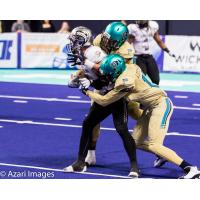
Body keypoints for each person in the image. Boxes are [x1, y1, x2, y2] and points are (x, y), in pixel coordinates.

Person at [82, 54, 200, 179]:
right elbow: (110, 76)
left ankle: (190, 168)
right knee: (136, 142)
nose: (107, 76)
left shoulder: (125, 82)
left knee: (154, 144)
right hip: (150, 107)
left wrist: (86, 90)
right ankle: (163, 155)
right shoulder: (130, 67)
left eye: (109, 73)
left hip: (161, 105)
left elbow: (105, 100)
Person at [63, 26, 139, 178]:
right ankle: (79, 162)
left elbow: (107, 73)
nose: (72, 42)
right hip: (103, 91)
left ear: (81, 40)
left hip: (115, 94)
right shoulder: (81, 53)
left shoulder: (94, 53)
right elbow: (91, 75)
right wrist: (77, 79)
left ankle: (134, 167)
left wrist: (88, 74)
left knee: (121, 129)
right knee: (88, 124)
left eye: (74, 39)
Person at [128, 20, 175, 85]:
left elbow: (159, 41)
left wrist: (168, 51)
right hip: (138, 57)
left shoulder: (152, 27)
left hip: (149, 56)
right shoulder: (134, 29)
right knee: (140, 80)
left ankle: (155, 93)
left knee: (156, 79)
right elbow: (128, 43)